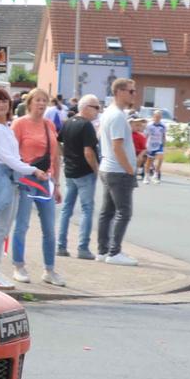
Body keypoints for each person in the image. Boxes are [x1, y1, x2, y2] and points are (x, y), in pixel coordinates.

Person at [0, 86, 50, 291]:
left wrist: (28, 170)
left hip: (11, 178)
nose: (1, 105)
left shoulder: (5, 127)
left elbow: (14, 159)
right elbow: (10, 159)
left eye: (4, 101)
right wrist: (34, 170)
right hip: (2, 178)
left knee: (3, 229)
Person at [7, 88, 66, 286]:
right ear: (30, 102)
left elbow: (55, 156)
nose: (41, 104)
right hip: (26, 178)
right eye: (38, 100)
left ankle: (49, 269)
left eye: (44, 100)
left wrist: (57, 183)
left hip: (45, 180)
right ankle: (18, 266)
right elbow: (11, 154)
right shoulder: (20, 124)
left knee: (49, 227)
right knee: (22, 224)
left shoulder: (49, 124)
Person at [95, 77, 140, 265]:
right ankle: (114, 252)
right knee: (124, 212)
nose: (134, 94)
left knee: (107, 212)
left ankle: (103, 250)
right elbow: (117, 146)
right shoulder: (118, 116)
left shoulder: (109, 113)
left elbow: (100, 137)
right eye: (131, 91)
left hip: (108, 168)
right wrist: (129, 169)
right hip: (118, 170)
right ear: (119, 92)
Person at [57, 94, 101, 259]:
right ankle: (83, 247)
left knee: (66, 209)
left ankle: (61, 245)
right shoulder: (86, 125)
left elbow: (57, 141)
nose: (98, 111)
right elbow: (88, 151)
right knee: (87, 209)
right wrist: (96, 169)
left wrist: (66, 156)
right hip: (84, 172)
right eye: (96, 107)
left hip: (70, 171)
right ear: (86, 107)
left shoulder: (69, 122)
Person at [145, 109, 167, 183]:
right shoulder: (149, 125)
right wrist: (145, 146)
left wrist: (164, 144)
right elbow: (146, 135)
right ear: (153, 116)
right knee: (149, 161)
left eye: (159, 117)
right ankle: (146, 176)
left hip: (159, 144)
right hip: (150, 145)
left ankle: (156, 175)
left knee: (160, 158)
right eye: (156, 116)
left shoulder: (163, 126)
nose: (157, 118)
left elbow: (163, 136)